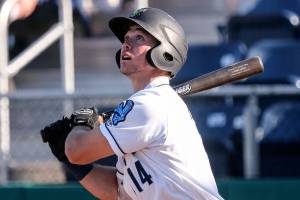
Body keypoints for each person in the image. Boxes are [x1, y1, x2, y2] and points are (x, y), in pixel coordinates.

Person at [41, 7, 224, 200]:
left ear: (165, 52)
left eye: (138, 38)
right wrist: (67, 158)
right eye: (125, 38)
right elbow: (116, 190)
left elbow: (77, 151)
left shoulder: (150, 105)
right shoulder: (148, 107)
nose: (126, 44)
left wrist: (81, 123)